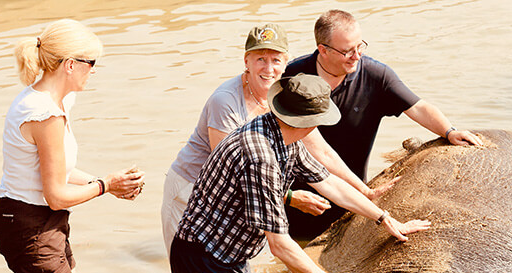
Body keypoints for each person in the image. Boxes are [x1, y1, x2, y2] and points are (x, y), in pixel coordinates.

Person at [169, 73, 430, 273]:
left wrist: (384, 219)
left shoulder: (285, 138)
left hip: (230, 253)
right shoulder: (260, 156)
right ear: (310, 122)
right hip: (205, 255)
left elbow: (329, 183)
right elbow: (280, 245)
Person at [0, 19, 145, 273]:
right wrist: (106, 186)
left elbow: (57, 171)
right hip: (26, 224)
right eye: (92, 64)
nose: (94, 72)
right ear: (70, 65)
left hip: (37, 219)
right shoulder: (44, 114)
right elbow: (56, 195)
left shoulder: (54, 101)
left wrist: (105, 184)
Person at [161, 23, 383, 253]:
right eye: (260, 59)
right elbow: (229, 172)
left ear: (286, 63)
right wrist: (291, 198)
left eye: (276, 60)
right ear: (246, 61)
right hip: (191, 190)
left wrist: (364, 191)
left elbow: (323, 152)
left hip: (238, 197)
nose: (269, 69)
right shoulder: (226, 101)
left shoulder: (282, 97)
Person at [283, 9, 484, 239]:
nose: (357, 56)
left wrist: (449, 131)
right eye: (348, 51)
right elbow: (318, 150)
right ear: (323, 50)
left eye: (361, 46)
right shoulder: (294, 76)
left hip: (353, 189)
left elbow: (417, 107)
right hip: (300, 194)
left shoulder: (375, 76)